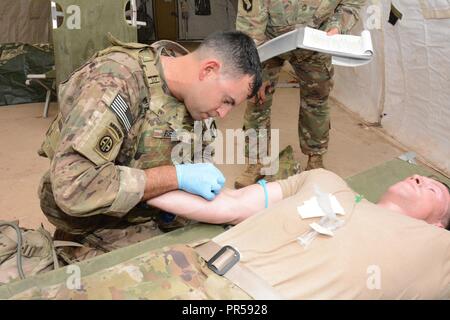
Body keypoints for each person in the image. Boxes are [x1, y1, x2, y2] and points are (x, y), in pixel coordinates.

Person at [16, 169, 449, 299]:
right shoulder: (328, 180)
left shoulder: (435, 247)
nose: (419, 178)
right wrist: (130, 183)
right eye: (422, 176)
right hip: (183, 265)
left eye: (436, 188)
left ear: (438, 222)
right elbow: (227, 205)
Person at [37, 31, 262, 250]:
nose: (223, 114)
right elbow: (73, 186)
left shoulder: (198, 105)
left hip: (152, 218)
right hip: (97, 227)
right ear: (208, 70)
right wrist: (175, 178)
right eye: (227, 101)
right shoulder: (118, 79)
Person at [234, 0, 367, 188]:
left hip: (315, 40)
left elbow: (351, 5)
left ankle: (315, 161)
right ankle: (256, 162)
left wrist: (337, 25)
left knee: (316, 102)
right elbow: (251, 26)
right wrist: (253, 69)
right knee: (257, 100)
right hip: (268, 39)